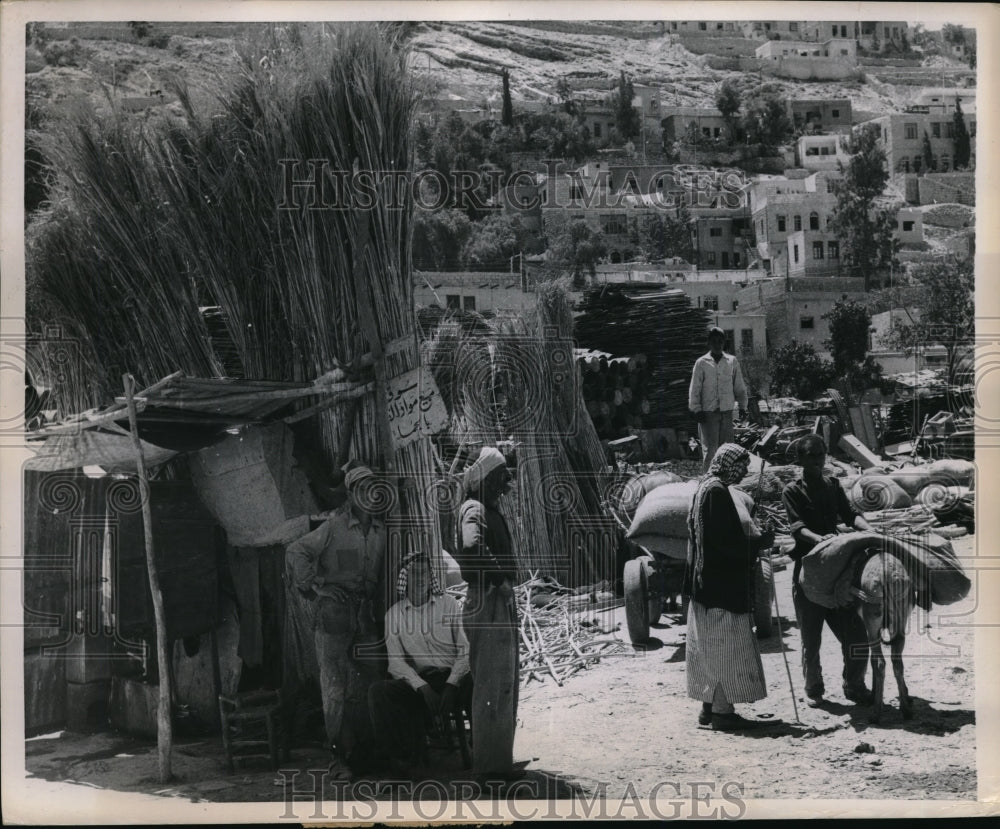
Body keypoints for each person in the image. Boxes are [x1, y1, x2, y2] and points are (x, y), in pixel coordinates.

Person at [286, 464, 388, 780]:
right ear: (351, 495)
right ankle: (339, 759)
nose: (369, 494)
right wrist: (317, 585)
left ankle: (366, 756)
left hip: (364, 617)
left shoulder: (382, 532)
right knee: (334, 687)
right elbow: (296, 551)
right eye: (361, 489)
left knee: (368, 685)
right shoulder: (334, 527)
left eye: (373, 487)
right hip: (333, 615)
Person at [683, 443, 775, 731]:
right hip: (720, 586)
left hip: (703, 586)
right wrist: (760, 543)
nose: (745, 471)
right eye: (741, 466)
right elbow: (727, 543)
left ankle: (708, 708)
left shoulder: (704, 488)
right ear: (729, 465)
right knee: (724, 648)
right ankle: (723, 714)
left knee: (708, 648)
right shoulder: (717, 493)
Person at [782, 435, 874, 708]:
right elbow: (797, 527)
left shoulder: (832, 485)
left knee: (855, 633)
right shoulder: (792, 490)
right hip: (808, 571)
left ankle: (855, 686)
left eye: (821, 454)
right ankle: (814, 689)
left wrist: (867, 527)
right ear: (800, 460)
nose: (818, 460)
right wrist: (818, 539)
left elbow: (849, 514)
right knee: (811, 638)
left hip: (837, 570)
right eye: (811, 456)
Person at [368, 552, 471, 775]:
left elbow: (465, 650)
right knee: (380, 692)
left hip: (453, 677)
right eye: (415, 573)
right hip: (421, 682)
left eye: (425, 572)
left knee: (476, 682)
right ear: (405, 578)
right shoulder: (394, 615)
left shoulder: (449, 605)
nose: (421, 578)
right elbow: (395, 663)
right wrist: (421, 687)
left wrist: (452, 684)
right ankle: (402, 763)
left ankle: (484, 756)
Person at [456, 446, 521, 780]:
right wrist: (499, 580)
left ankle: (499, 763)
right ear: (485, 478)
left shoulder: (486, 507)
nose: (504, 483)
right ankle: (488, 771)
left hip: (497, 601)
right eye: (498, 477)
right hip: (488, 601)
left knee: (504, 684)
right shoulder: (473, 509)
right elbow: (472, 547)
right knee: (490, 687)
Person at [688, 326, 749, 472]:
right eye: (714, 341)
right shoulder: (701, 363)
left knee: (727, 450)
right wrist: (696, 409)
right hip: (708, 414)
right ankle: (708, 483)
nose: (717, 344)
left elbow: (739, 386)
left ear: (724, 342)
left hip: (727, 413)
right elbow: (695, 388)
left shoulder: (731, 361)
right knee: (711, 451)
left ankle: (726, 482)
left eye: (720, 341)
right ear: (709, 343)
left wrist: (742, 406)